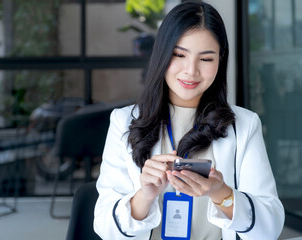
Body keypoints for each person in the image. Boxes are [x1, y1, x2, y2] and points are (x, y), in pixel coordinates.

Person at [94, 1, 284, 239]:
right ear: (161, 54)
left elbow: (270, 227)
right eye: (179, 55)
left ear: (220, 60)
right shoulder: (124, 121)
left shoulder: (244, 125)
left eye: (205, 59)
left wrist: (221, 193)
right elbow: (104, 228)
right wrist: (145, 195)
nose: (191, 71)